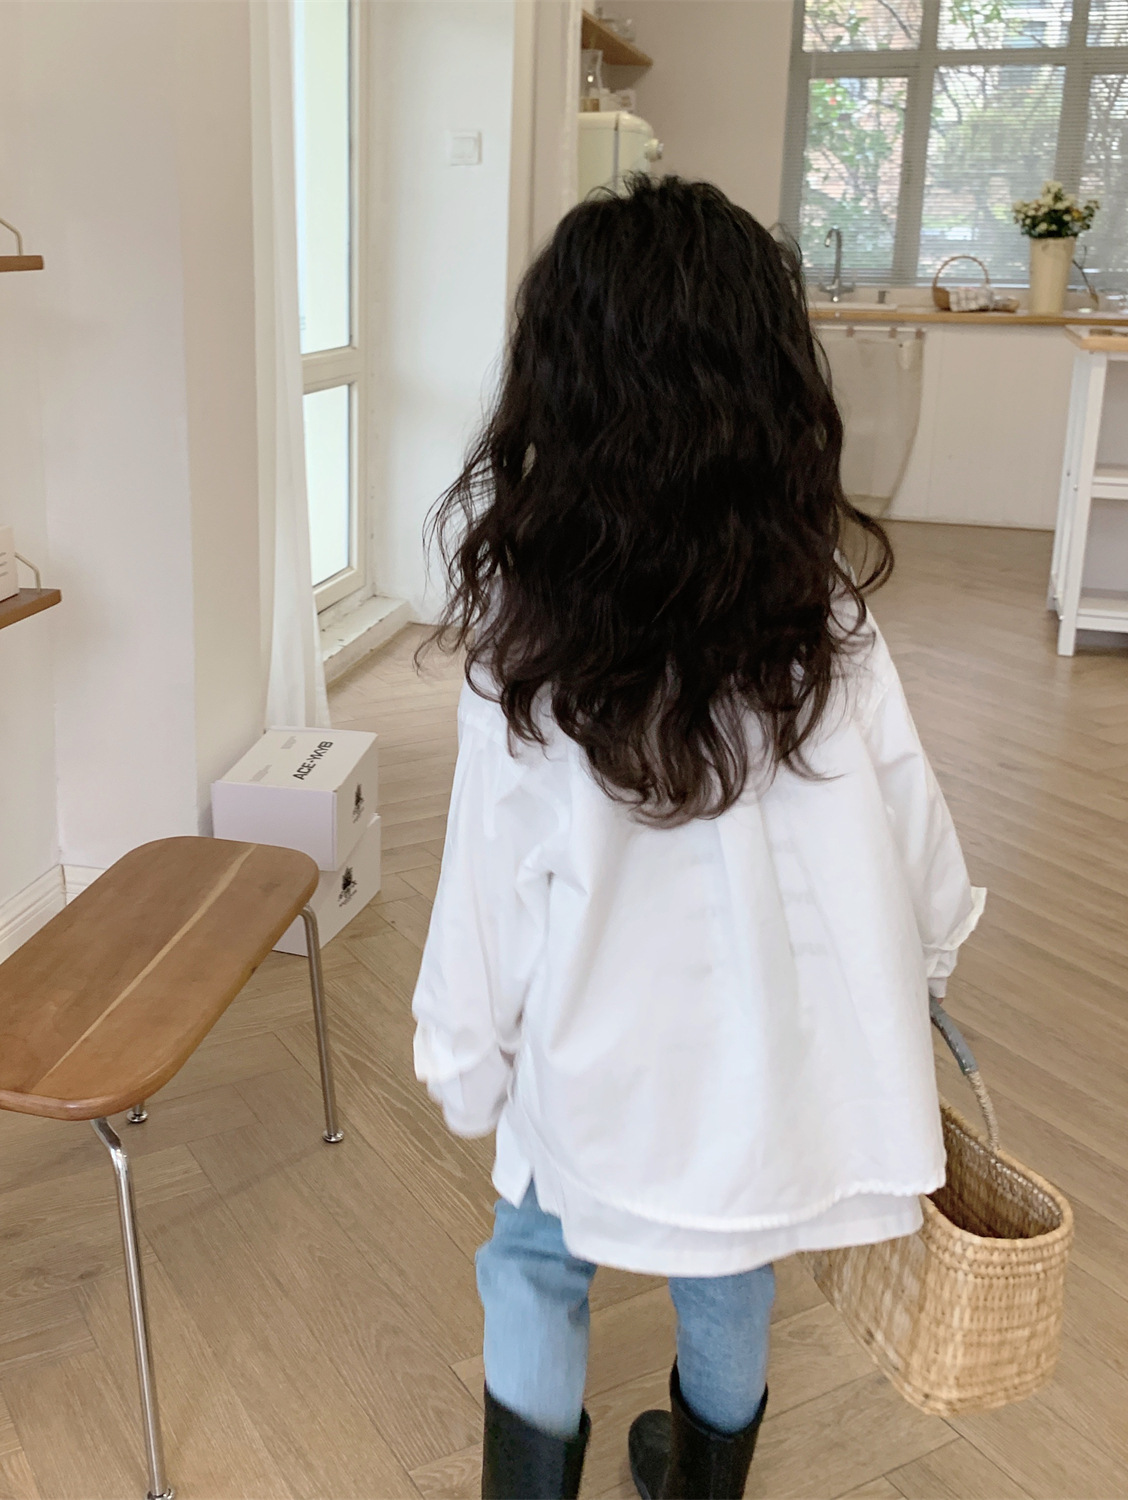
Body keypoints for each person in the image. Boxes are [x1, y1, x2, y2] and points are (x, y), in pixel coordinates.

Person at [411, 176, 983, 1500]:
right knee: (732, 1259)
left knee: (534, 1259)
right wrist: (922, 968)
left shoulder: (524, 652)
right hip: (763, 1068)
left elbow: (487, 901)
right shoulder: (826, 626)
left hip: (586, 1065)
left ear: (560, 397)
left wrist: (465, 1064)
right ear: (771, 393)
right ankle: (702, 1484)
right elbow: (916, 851)